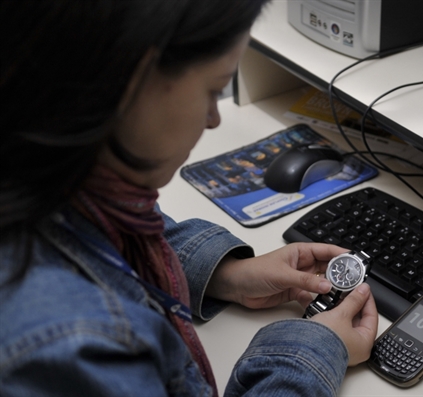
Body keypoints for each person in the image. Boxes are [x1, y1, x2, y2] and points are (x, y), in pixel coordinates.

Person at [0, 1, 379, 396]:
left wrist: (225, 274)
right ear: (132, 79)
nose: (214, 119)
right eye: (214, 89)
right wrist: (312, 352)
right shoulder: (70, 347)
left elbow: (105, 232)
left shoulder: (45, 162)